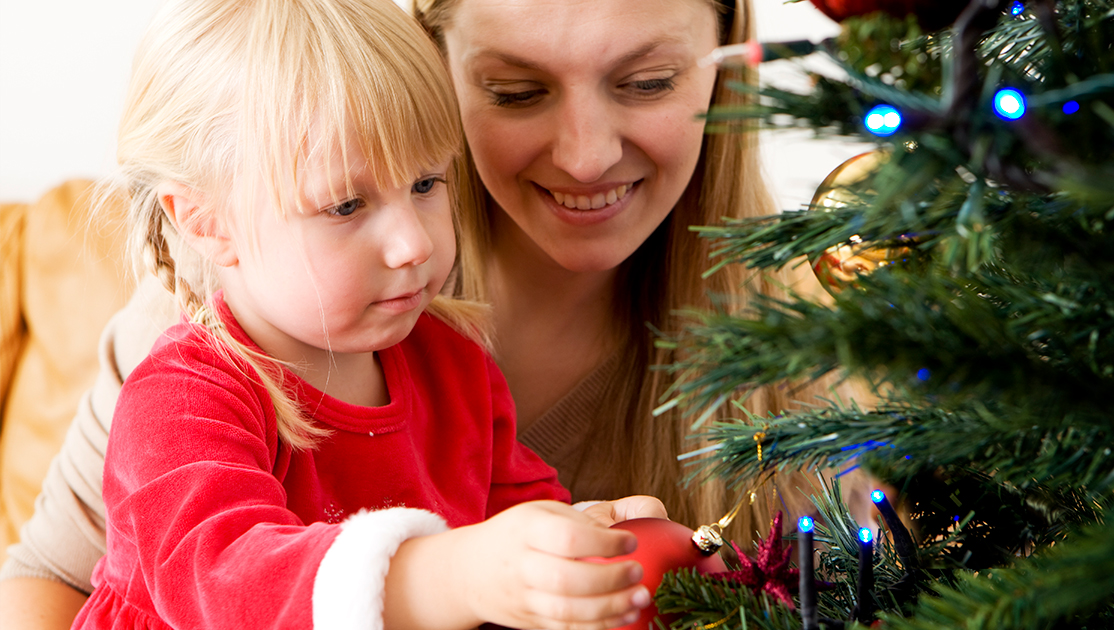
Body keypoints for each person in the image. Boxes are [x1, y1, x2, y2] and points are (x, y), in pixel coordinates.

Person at [1, 0, 875, 626]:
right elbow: (215, 579)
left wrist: (601, 550)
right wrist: (451, 576)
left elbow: (526, 509)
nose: (585, 153)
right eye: (517, 91)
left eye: (645, 82)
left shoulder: (448, 356)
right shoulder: (197, 365)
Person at [65, 0, 664, 627]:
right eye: (347, 205)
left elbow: (515, 519)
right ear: (204, 222)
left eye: (427, 184)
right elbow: (228, 585)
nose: (416, 244)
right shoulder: (182, 401)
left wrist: (585, 540)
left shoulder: (452, 365)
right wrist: (453, 576)